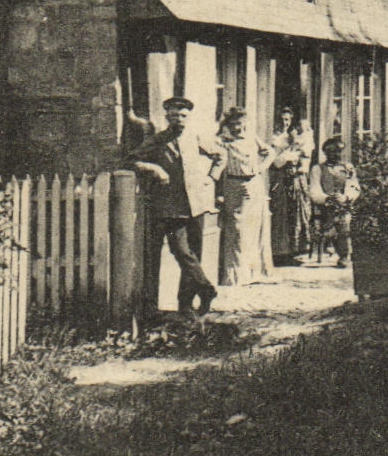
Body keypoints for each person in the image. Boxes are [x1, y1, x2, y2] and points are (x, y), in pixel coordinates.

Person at [128, 96, 227, 318]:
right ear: (167, 117)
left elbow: (220, 156)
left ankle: (186, 306)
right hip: (170, 207)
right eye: (173, 115)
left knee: (194, 254)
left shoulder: (197, 137)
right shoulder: (158, 140)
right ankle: (207, 289)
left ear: (189, 117)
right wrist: (155, 169)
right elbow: (133, 160)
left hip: (197, 205)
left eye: (183, 115)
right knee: (182, 252)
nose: (178, 119)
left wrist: (211, 178)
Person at [216, 107, 272, 286]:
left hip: (254, 185)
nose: (237, 128)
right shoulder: (223, 141)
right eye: (233, 124)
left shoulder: (251, 138)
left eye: (240, 124)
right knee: (236, 229)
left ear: (245, 123)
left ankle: (254, 272)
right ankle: (235, 276)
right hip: (234, 185)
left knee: (253, 228)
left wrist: (261, 167)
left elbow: (270, 152)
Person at [268, 106, 314, 261]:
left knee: (299, 212)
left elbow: (305, 156)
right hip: (281, 178)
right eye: (282, 119)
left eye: (287, 119)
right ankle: (281, 251)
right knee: (281, 212)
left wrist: (299, 157)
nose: (285, 123)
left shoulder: (298, 136)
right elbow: (275, 160)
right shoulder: (275, 137)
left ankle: (298, 250)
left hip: (296, 178)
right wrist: (287, 155)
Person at [309, 135, 361, 268]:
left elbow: (354, 186)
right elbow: (314, 191)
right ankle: (344, 254)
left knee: (345, 218)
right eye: (331, 152)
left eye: (338, 151)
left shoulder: (347, 168)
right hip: (325, 207)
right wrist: (327, 198)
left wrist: (346, 197)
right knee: (340, 219)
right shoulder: (318, 169)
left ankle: (345, 253)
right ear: (326, 153)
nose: (335, 155)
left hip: (345, 205)